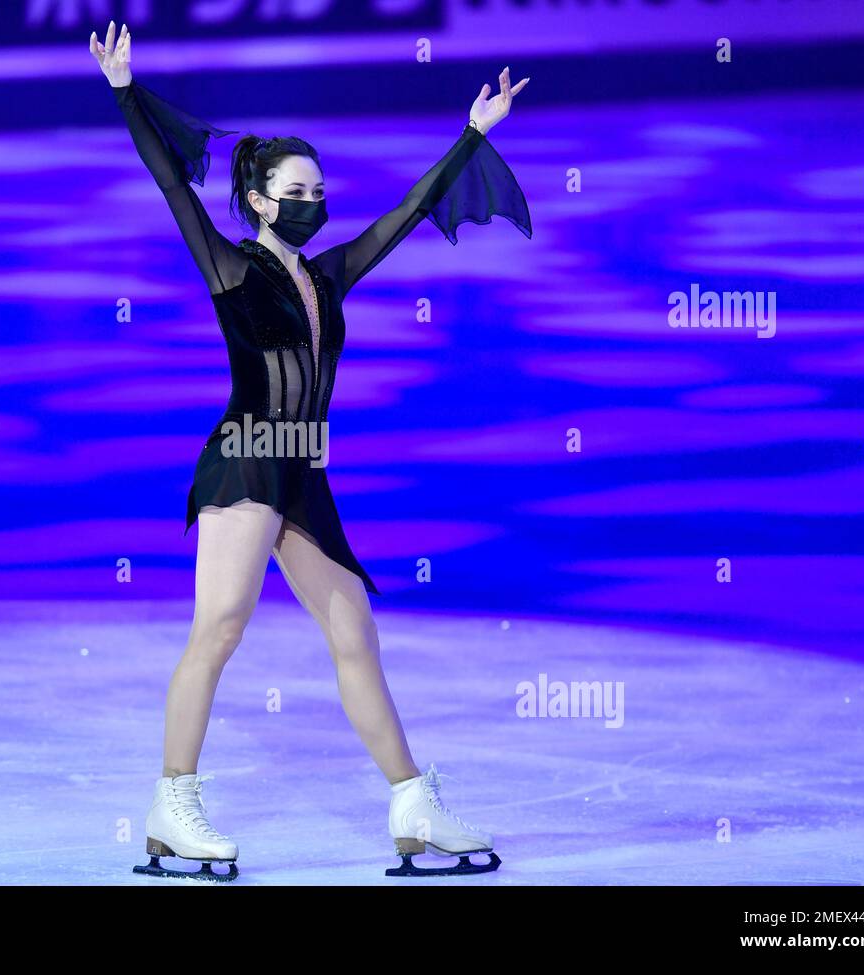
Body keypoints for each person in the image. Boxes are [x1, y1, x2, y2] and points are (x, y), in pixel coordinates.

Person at [90, 20, 532, 880]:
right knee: (220, 626)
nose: (315, 198)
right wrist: (124, 92)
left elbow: (404, 218)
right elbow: (169, 184)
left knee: (353, 629)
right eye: (299, 187)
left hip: (303, 472)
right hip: (249, 455)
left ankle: (412, 801)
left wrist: (471, 137)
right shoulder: (231, 268)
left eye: (320, 187)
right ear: (260, 199)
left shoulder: (325, 275)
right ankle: (172, 802)